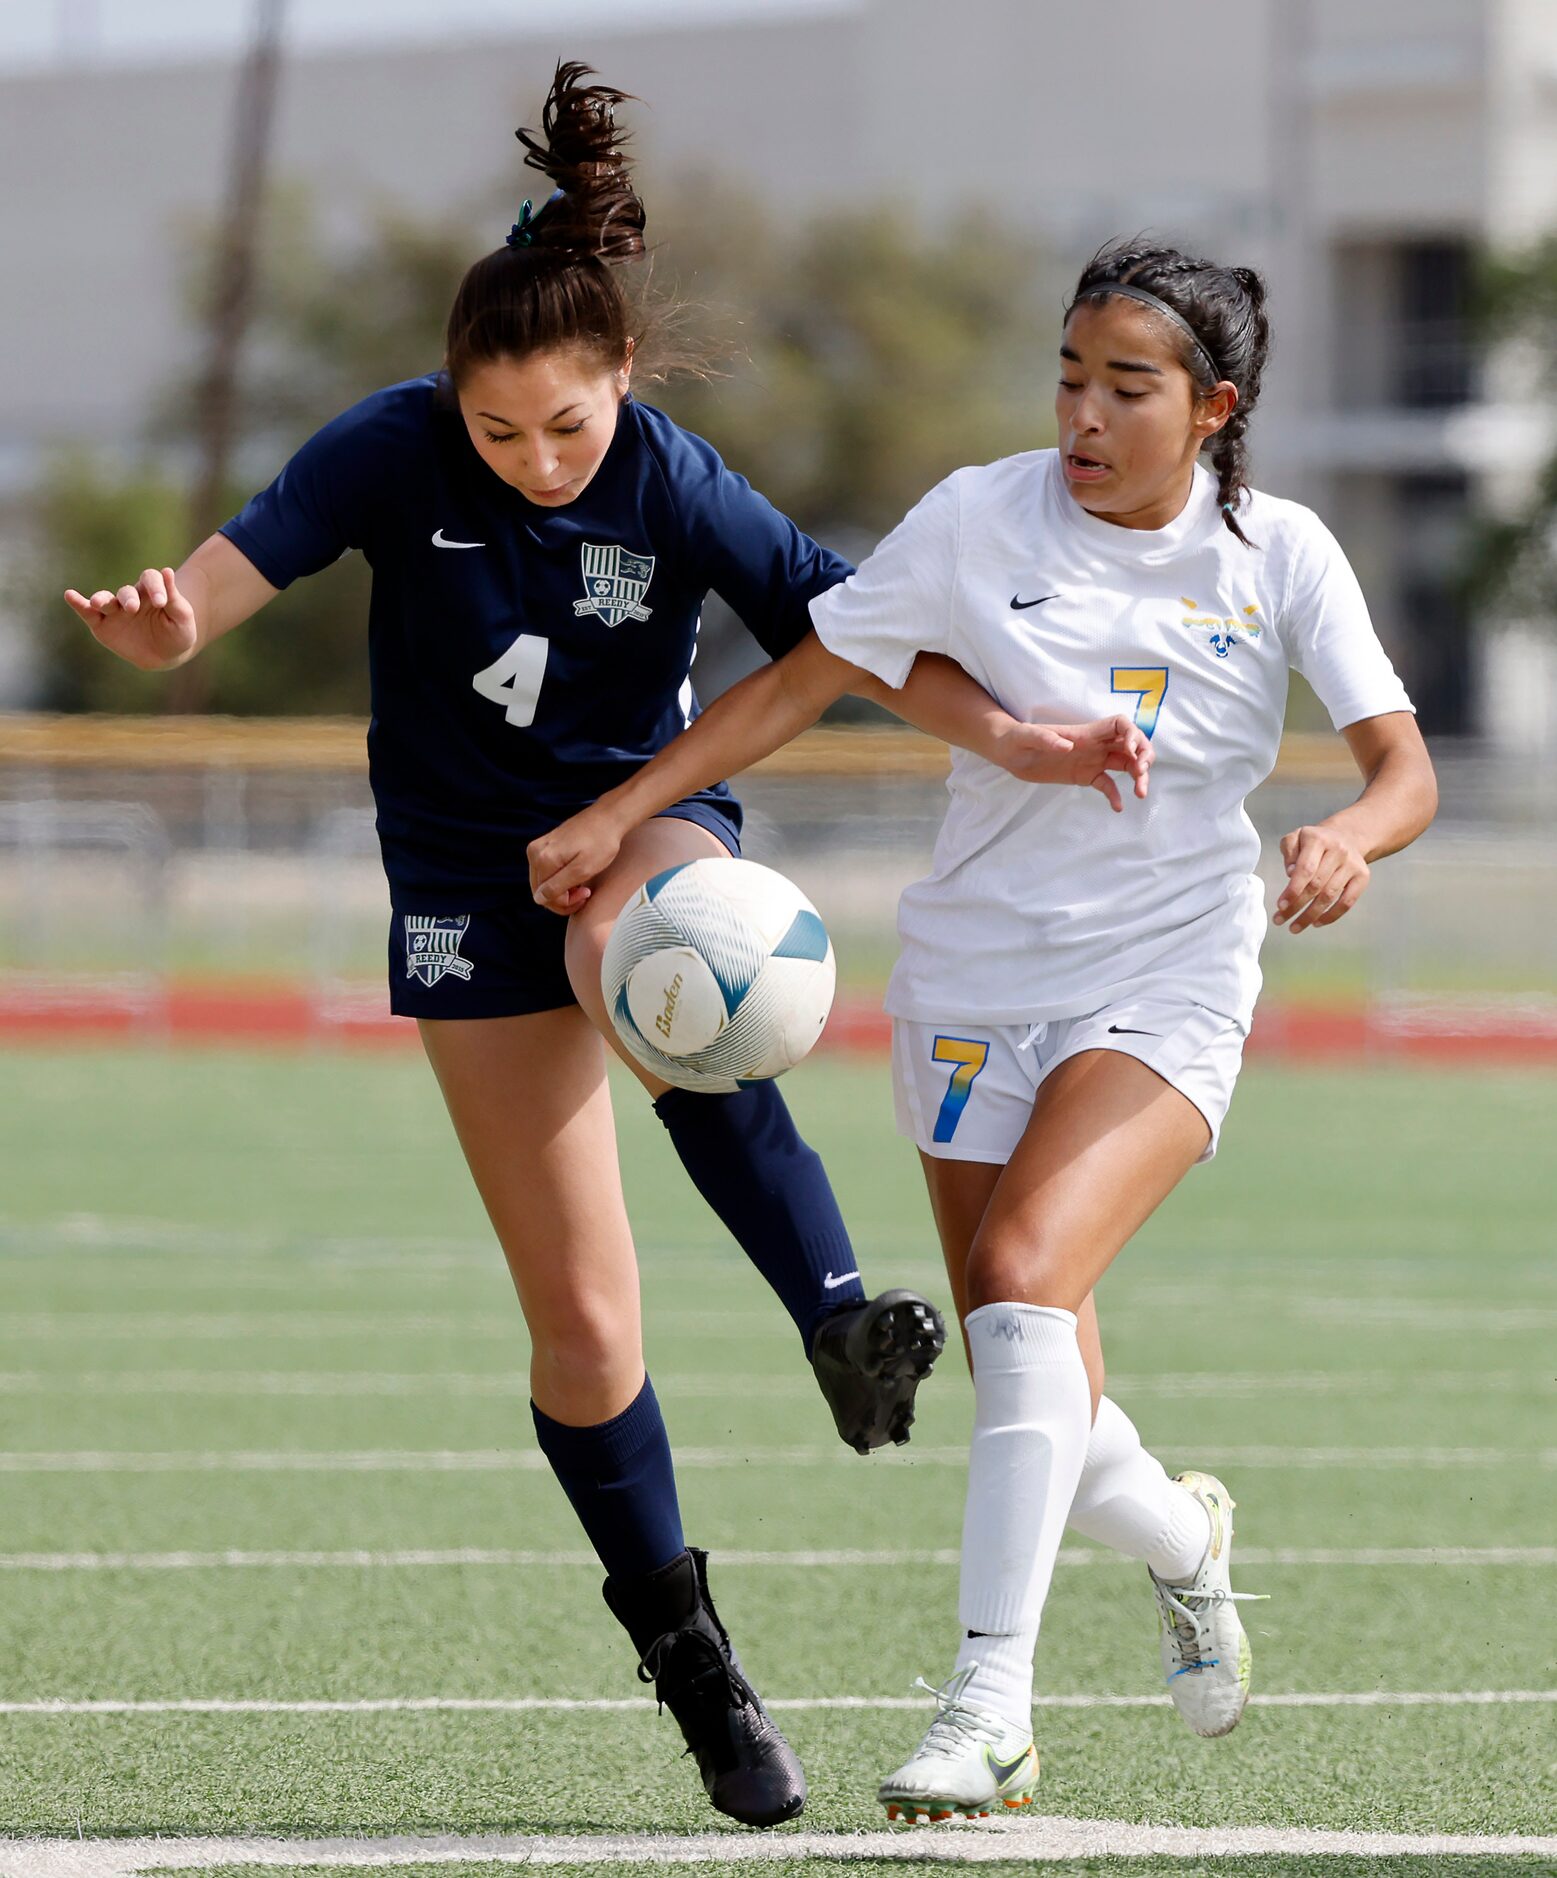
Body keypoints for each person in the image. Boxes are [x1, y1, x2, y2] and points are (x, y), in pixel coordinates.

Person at [59, 61, 1141, 1829]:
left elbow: (856, 637)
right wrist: (165, 624)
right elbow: (214, 594)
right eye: (501, 435)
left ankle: (835, 1308)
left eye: (566, 426)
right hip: (460, 878)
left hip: (648, 830)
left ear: (620, 377)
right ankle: (695, 1661)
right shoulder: (383, 450)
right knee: (580, 1327)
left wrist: (1022, 736)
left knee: (659, 951)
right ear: (450, 403)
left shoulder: (676, 478)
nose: (539, 461)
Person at [528, 238, 1440, 1822]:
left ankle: (988, 1709)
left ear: (1213, 408)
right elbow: (804, 679)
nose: (1084, 412)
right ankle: (1180, 1536)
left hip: (1165, 977)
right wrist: (620, 811)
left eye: (1127, 387)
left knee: (1019, 1290)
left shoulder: (1278, 553)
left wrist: (1351, 836)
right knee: (1035, 1373)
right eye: (1070, 376)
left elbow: (1401, 765)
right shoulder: (974, 514)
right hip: (970, 983)